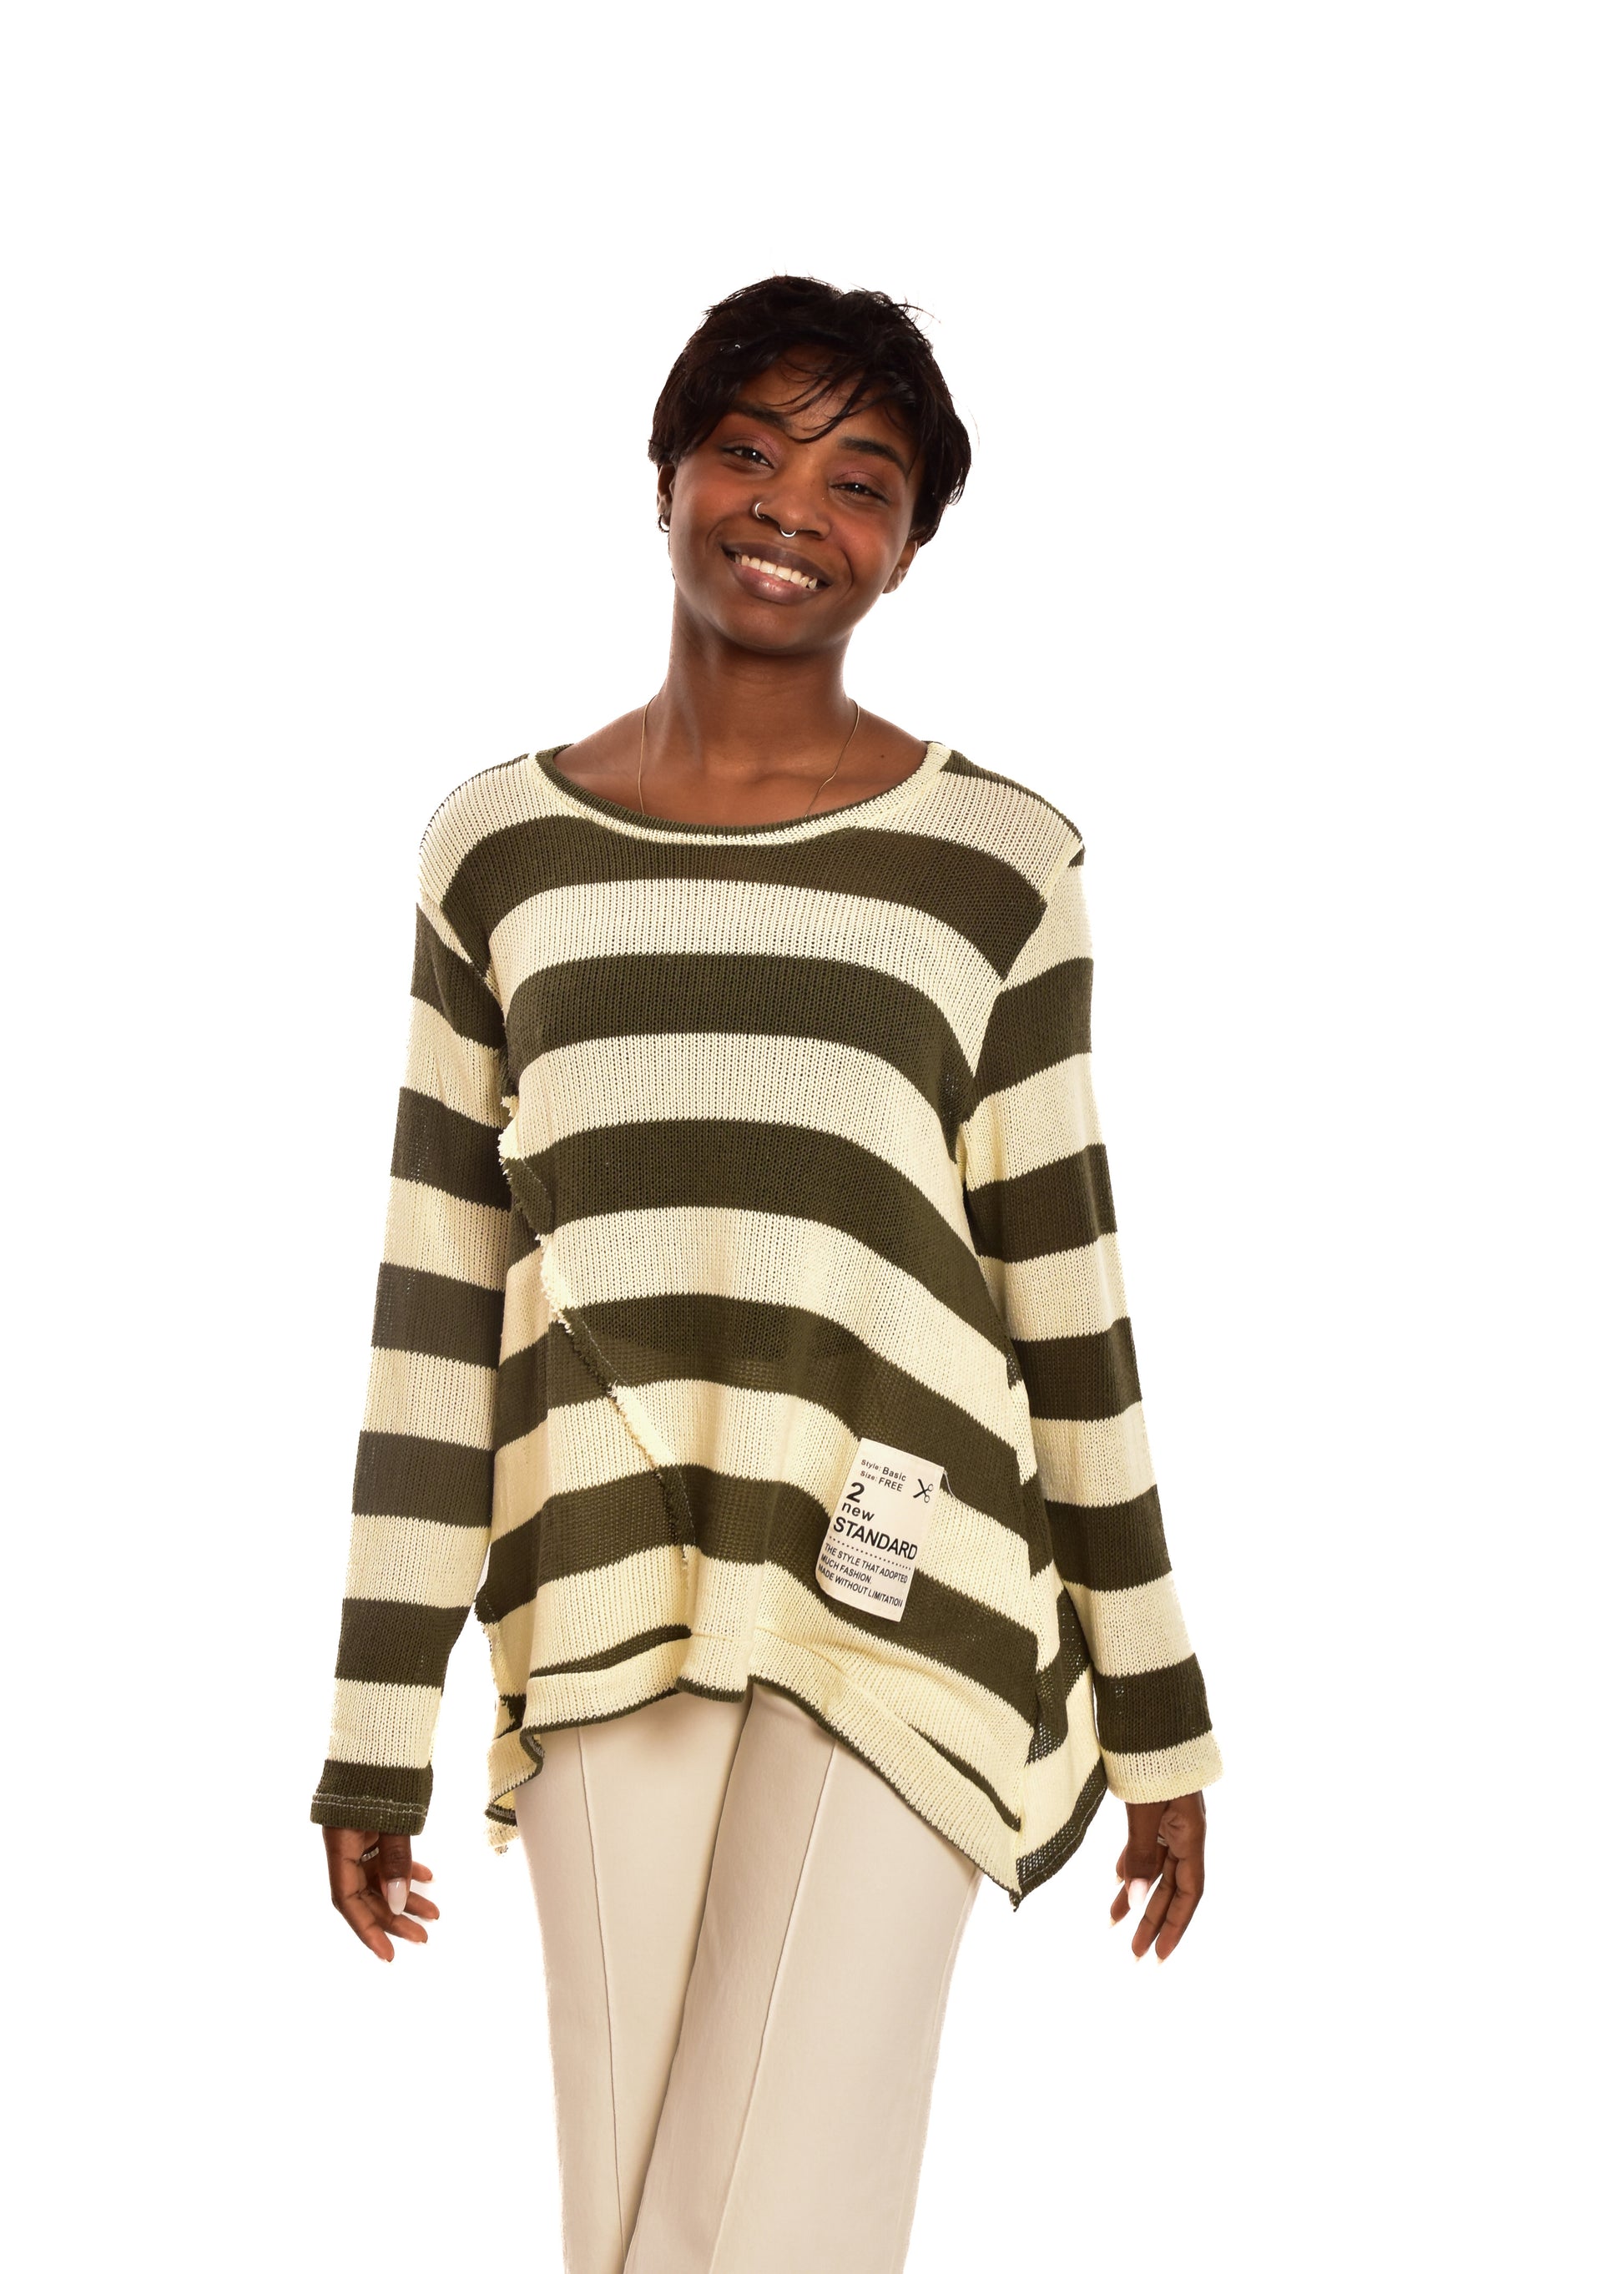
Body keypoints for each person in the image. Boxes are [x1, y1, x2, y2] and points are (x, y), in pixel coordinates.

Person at [311, 274, 1223, 2274]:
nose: (790, 507)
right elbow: (436, 1299)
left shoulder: (995, 862)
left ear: (906, 546)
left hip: (910, 1589)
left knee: (771, 2219)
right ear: (663, 474)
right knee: (632, 2215)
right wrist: (378, 1716)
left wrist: (1157, 1714)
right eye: (748, 448)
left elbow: (1066, 1293)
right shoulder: (497, 855)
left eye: (859, 479)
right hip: (595, 1593)